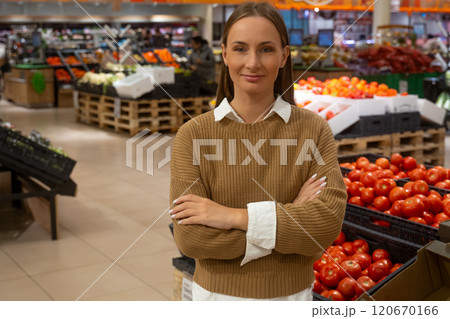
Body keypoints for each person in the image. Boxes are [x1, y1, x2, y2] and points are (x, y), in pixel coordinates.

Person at [170, 1, 347, 301]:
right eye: (240, 49)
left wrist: (230, 216)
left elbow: (324, 226)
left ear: (283, 56)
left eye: (266, 49)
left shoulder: (314, 130)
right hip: (216, 299)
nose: (252, 62)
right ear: (224, 54)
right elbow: (191, 239)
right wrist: (290, 218)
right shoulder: (194, 134)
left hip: (291, 299)